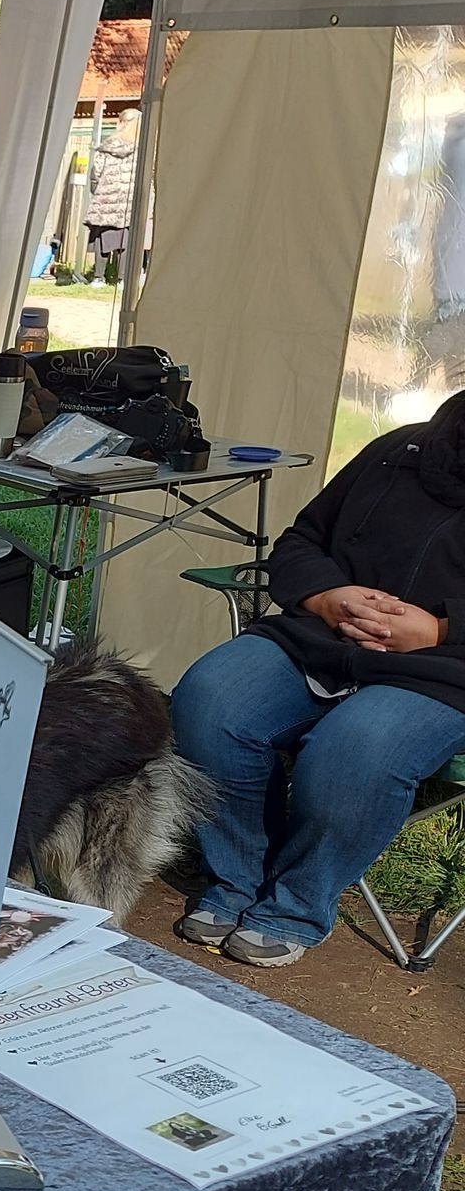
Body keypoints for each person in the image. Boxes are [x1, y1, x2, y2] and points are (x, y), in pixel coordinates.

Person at [170, 392, 465, 965]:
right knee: (210, 702)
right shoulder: (399, 451)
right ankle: (238, 878)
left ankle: (296, 903)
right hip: (323, 635)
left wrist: (440, 629)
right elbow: (302, 540)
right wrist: (327, 597)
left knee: (354, 748)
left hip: (444, 670)